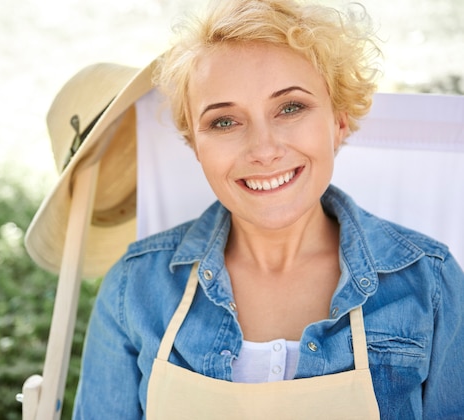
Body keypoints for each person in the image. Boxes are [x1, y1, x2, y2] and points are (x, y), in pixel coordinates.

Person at [69, 0, 464, 418]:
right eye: (224, 121)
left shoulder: (429, 285)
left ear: (339, 121)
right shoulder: (135, 288)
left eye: (290, 107)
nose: (263, 150)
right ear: (195, 146)